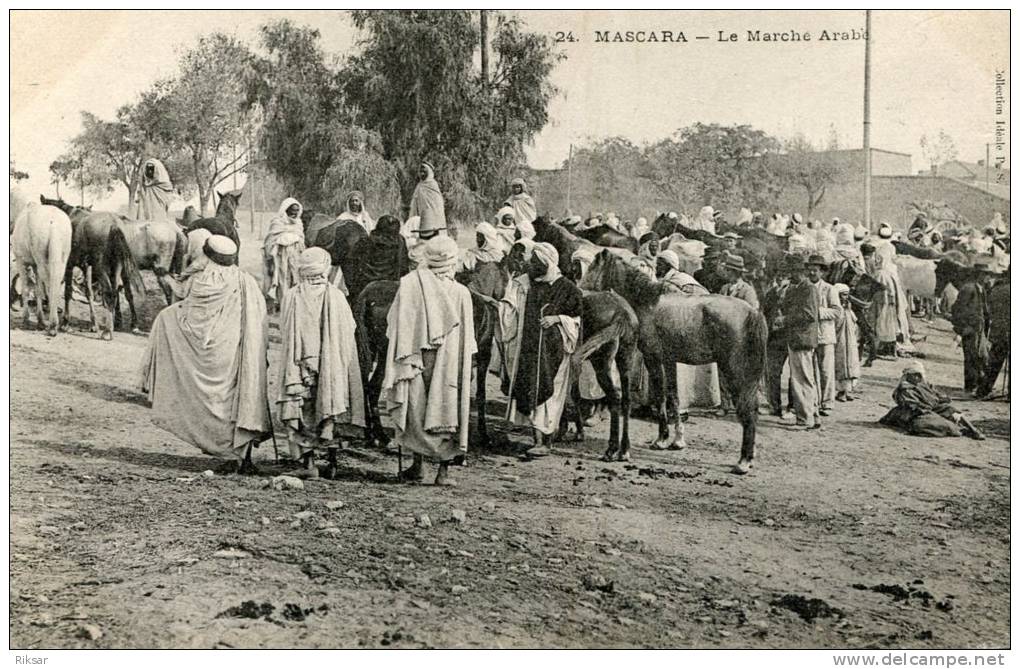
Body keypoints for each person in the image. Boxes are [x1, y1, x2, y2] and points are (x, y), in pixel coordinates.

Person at [141, 235, 270, 474]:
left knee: (214, 401)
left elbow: (184, 309)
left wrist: (164, 278)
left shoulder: (200, 280)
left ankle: (229, 454)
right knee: (239, 397)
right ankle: (242, 457)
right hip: (236, 353)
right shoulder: (246, 282)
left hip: (211, 356)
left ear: (207, 255)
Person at [381, 235, 476, 486]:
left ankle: (418, 464)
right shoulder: (461, 293)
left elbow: (394, 324)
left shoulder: (410, 284)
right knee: (446, 405)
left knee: (415, 405)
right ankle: (442, 473)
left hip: (414, 357)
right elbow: (468, 338)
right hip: (448, 360)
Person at [276, 247, 366, 479]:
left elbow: (285, 331)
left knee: (303, 408)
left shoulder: (292, 296)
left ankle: (309, 465)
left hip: (300, 368)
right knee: (331, 402)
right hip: (331, 365)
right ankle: (333, 464)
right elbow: (349, 331)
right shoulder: (336, 296)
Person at [508, 242, 583, 456]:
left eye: (536, 262)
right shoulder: (532, 285)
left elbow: (576, 321)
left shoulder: (568, 288)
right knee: (532, 390)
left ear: (548, 263)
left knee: (551, 394)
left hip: (556, 352)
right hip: (531, 350)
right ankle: (537, 439)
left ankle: (546, 442)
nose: (532, 266)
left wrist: (557, 319)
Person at [879, 362, 985, 439]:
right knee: (932, 423)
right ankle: (961, 430)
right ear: (908, 376)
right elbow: (913, 405)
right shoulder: (906, 389)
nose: (918, 377)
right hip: (915, 413)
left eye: (919, 375)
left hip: (931, 408)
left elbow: (935, 395)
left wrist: (942, 399)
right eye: (915, 375)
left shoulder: (923, 384)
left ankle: (973, 429)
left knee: (950, 410)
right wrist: (929, 408)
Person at [778, 255, 821, 429]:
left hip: (801, 339)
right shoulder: (800, 287)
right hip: (800, 338)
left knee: (801, 380)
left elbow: (809, 314)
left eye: (792, 272)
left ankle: (804, 419)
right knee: (807, 378)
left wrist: (785, 319)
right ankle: (814, 416)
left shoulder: (808, 289)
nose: (790, 276)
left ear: (800, 272)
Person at [950, 256, 994, 393]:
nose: (987, 278)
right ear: (979, 275)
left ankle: (975, 383)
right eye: (986, 275)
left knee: (979, 356)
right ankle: (970, 385)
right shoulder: (968, 288)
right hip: (970, 327)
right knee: (971, 357)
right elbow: (957, 308)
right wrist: (962, 327)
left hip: (978, 328)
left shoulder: (980, 289)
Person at [806, 253, 842, 415]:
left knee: (826, 370)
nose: (812, 273)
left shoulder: (829, 289)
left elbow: (837, 312)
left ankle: (827, 403)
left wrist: (817, 312)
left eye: (815, 270)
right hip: (807, 335)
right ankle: (812, 402)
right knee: (809, 370)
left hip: (825, 335)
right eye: (810, 270)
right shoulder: (804, 287)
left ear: (822, 272)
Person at [347, 214, 411, 302]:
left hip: (366, 291)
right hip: (393, 290)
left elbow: (352, 267)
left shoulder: (365, 242)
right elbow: (404, 269)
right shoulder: (400, 241)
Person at [866, 240, 911, 358]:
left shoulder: (881, 274)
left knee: (882, 326)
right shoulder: (890, 272)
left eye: (878, 258)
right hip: (889, 305)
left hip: (882, 305)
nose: (876, 260)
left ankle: (883, 348)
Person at [762, 258, 794, 416]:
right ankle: (774, 405)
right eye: (779, 275)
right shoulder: (771, 293)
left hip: (792, 336)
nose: (782, 278)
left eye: (785, 275)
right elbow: (764, 313)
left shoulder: (796, 291)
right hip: (774, 338)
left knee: (795, 373)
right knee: (772, 372)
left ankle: (792, 406)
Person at [263, 197, 307, 310]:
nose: (294, 213)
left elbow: (301, 239)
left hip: (295, 256)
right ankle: (283, 305)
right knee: (283, 280)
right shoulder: (277, 222)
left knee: (296, 278)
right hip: (281, 257)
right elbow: (270, 240)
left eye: (297, 210)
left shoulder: (299, 223)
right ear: (285, 210)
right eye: (292, 210)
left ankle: (294, 305)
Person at [977, 265, 1009, 399]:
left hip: (998, 331)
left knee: (994, 363)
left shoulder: (996, 289)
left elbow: (989, 310)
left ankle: (983, 390)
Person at [833, 283, 861, 401]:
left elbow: (854, 321)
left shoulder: (848, 309)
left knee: (851, 364)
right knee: (841, 364)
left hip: (850, 341)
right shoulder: (836, 309)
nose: (845, 297)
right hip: (840, 341)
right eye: (843, 295)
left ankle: (848, 390)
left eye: (847, 295)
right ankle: (841, 391)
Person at [408, 162, 447, 235]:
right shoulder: (419, 186)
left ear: (429, 172)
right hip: (420, 216)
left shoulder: (433, 185)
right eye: (420, 171)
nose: (421, 173)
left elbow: (438, 207)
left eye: (424, 171)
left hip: (433, 219)